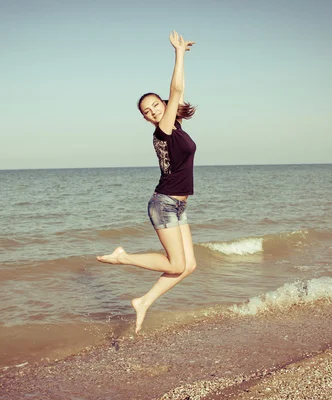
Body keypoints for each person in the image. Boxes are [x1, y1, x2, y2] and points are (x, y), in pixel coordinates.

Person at [97, 31, 198, 334]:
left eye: (155, 104)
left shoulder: (175, 125)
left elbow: (176, 96)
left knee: (188, 266)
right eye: (147, 111)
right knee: (177, 265)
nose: (152, 110)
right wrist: (179, 53)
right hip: (164, 204)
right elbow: (177, 88)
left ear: (162, 104)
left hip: (178, 207)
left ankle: (143, 301)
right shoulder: (163, 131)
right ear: (147, 118)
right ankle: (123, 257)